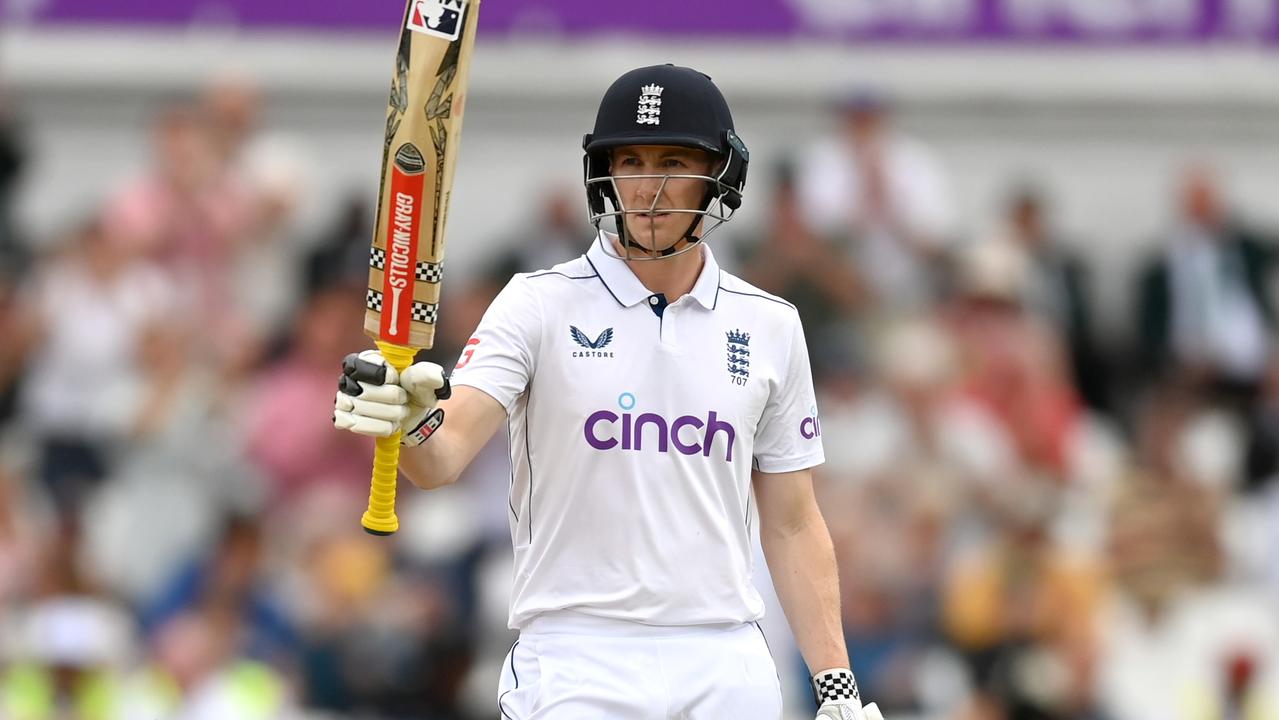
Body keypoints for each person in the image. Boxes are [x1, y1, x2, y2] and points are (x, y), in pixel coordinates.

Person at [332, 64, 883, 720]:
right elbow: (442, 458)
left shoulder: (768, 324)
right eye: (630, 162)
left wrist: (836, 684)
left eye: (673, 161)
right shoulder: (536, 303)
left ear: (720, 174)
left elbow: (792, 521)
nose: (647, 188)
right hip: (576, 657)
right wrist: (407, 420)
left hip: (724, 657)